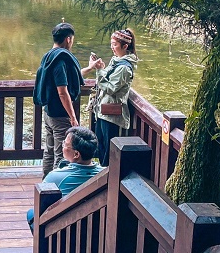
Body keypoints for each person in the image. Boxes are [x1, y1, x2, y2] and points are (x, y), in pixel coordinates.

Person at [34, 22, 103, 176]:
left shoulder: (49, 57)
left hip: (48, 112)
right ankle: (56, 190)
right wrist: (72, 117)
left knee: (49, 151)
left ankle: (46, 183)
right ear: (68, 39)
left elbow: (73, 75)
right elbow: (63, 92)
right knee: (61, 154)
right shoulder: (60, 60)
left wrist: (90, 68)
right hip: (60, 115)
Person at [27, 126, 102, 231]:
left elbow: (40, 204)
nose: (63, 146)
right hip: (97, 227)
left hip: (65, 230)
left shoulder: (56, 177)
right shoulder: (104, 174)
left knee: (31, 213)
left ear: (76, 154)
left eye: (65, 144)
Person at [90, 29, 139, 166]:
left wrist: (99, 70)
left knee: (111, 155)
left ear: (125, 46)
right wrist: (101, 68)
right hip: (103, 112)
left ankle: (108, 184)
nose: (112, 47)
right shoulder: (116, 61)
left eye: (115, 45)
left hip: (113, 117)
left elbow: (111, 88)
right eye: (111, 44)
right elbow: (107, 79)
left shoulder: (124, 67)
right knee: (102, 150)